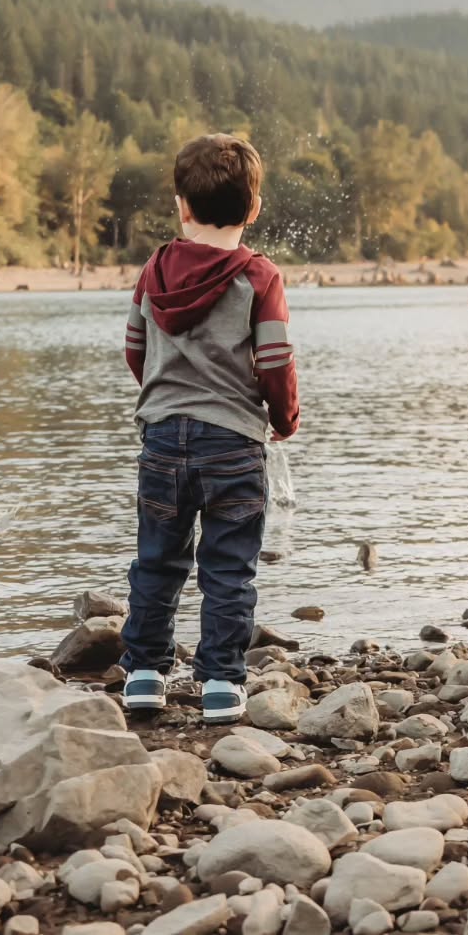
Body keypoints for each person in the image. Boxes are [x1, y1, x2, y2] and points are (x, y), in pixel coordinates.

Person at [121, 133, 299, 723]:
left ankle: (144, 674)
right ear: (253, 210)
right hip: (233, 441)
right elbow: (274, 361)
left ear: (182, 206)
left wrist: (162, 392)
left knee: (157, 559)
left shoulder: (153, 270)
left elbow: (134, 349)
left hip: (162, 436)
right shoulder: (259, 277)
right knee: (227, 566)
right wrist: (283, 417)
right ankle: (221, 683)